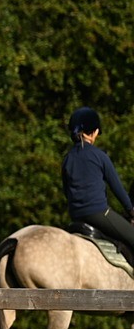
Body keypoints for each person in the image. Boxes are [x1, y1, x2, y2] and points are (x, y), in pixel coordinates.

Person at [62, 106, 134, 251]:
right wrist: (131, 210)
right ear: (93, 132)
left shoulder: (67, 159)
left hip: (75, 215)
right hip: (99, 213)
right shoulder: (100, 156)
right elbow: (117, 188)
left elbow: (66, 191)